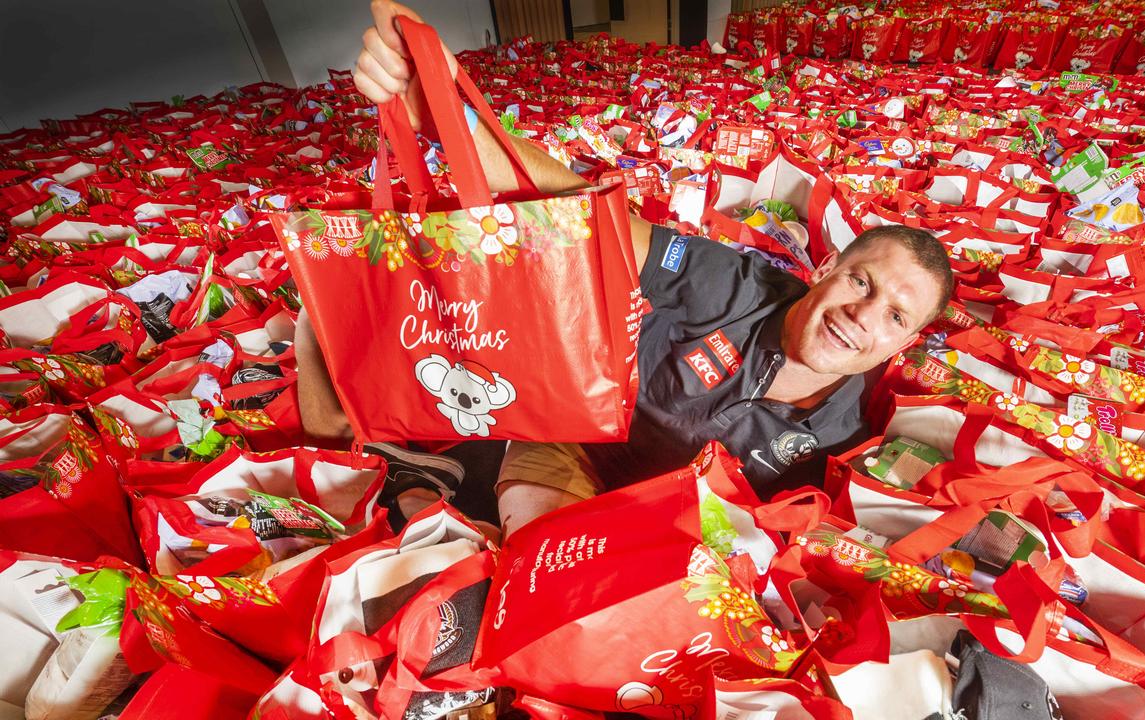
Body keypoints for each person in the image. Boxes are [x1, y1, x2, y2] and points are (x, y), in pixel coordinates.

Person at [298, 0, 955, 535]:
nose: (861, 315)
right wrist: (448, 116)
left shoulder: (850, 433)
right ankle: (434, 494)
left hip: (672, 524)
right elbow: (588, 218)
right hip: (578, 441)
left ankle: (425, 494)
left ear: (903, 342)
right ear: (828, 267)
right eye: (860, 281)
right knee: (548, 556)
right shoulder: (734, 286)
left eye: (895, 315)